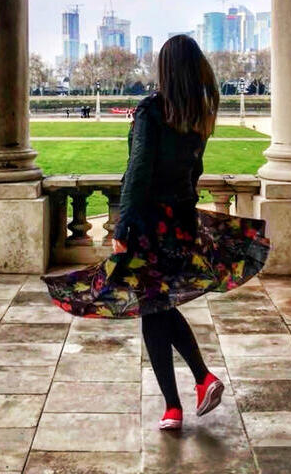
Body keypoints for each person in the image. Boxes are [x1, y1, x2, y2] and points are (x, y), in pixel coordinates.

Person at [41, 34, 270, 431]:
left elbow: (138, 170)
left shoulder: (151, 111)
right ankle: (192, 389)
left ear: (165, 69)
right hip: (178, 221)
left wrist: (124, 223)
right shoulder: (198, 115)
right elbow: (192, 173)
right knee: (157, 306)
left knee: (152, 307)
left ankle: (183, 398)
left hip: (148, 223)